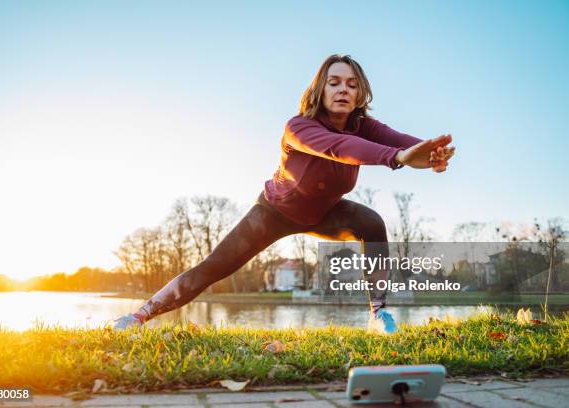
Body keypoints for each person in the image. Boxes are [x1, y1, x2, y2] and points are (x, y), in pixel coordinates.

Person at [113, 54, 455, 333]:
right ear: (320, 89)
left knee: (372, 223)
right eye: (334, 82)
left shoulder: (362, 126)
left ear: (360, 94)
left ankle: (378, 313)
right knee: (213, 267)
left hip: (325, 213)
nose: (343, 90)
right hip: (273, 213)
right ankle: (139, 316)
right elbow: (340, 148)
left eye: (352, 85)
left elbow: (400, 141)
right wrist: (398, 159)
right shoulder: (299, 127)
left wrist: (430, 153)